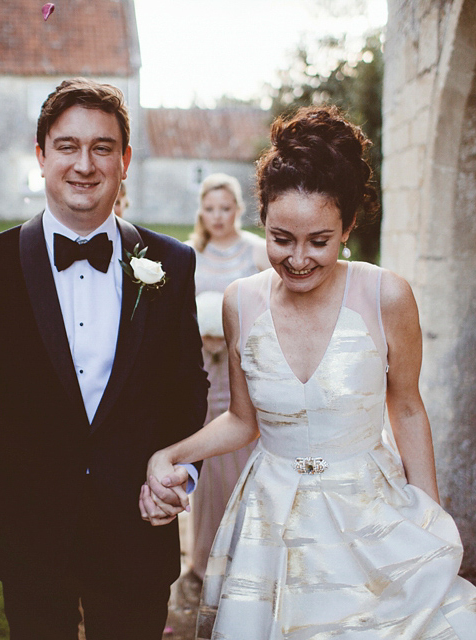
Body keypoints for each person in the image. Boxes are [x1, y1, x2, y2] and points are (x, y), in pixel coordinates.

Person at [143, 106, 476, 639]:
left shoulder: (385, 294)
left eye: (319, 241)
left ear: (348, 225)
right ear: (262, 220)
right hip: (271, 520)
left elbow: (408, 407)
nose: (298, 259)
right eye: (282, 238)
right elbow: (241, 420)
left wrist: (429, 519)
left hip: (368, 512)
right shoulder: (241, 301)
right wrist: (173, 453)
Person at [0, 77, 209, 640]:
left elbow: (188, 389)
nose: (84, 164)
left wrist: (180, 472)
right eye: (67, 146)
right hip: (30, 531)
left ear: (125, 160)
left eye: (102, 147)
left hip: (136, 531)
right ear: (40, 156)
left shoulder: (171, 263)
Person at [184, 173, 269, 583]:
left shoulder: (255, 251)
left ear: (238, 209)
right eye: (210, 208)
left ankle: (244, 555)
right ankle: (203, 557)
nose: (218, 216)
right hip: (201, 365)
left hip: (243, 365)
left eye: (226, 208)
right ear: (201, 211)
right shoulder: (189, 252)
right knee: (210, 463)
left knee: (244, 456)